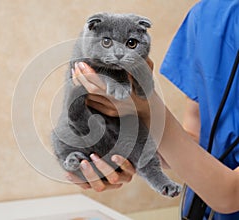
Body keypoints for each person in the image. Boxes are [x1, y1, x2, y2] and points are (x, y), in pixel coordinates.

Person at [66, 0, 239, 219]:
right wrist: (117, 148)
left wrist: (149, 107)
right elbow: (200, 143)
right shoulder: (207, 14)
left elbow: (231, 195)